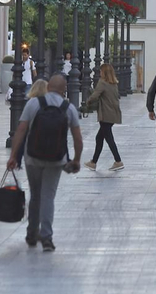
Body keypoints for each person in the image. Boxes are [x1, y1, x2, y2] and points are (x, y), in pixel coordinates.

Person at [7, 74, 83, 252]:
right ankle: (46, 237)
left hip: (32, 157)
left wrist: (13, 155)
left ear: (48, 87)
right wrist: (77, 159)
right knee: (48, 196)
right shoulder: (68, 108)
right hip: (56, 159)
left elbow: (21, 130)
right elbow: (78, 138)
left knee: (35, 195)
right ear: (64, 90)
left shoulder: (34, 104)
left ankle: (32, 233)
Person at [81, 62, 124, 170]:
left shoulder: (102, 82)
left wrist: (87, 102)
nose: (99, 73)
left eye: (100, 71)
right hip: (113, 113)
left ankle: (118, 161)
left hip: (106, 114)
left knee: (109, 138)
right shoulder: (113, 83)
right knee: (99, 137)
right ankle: (93, 162)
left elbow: (95, 95)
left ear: (104, 72)